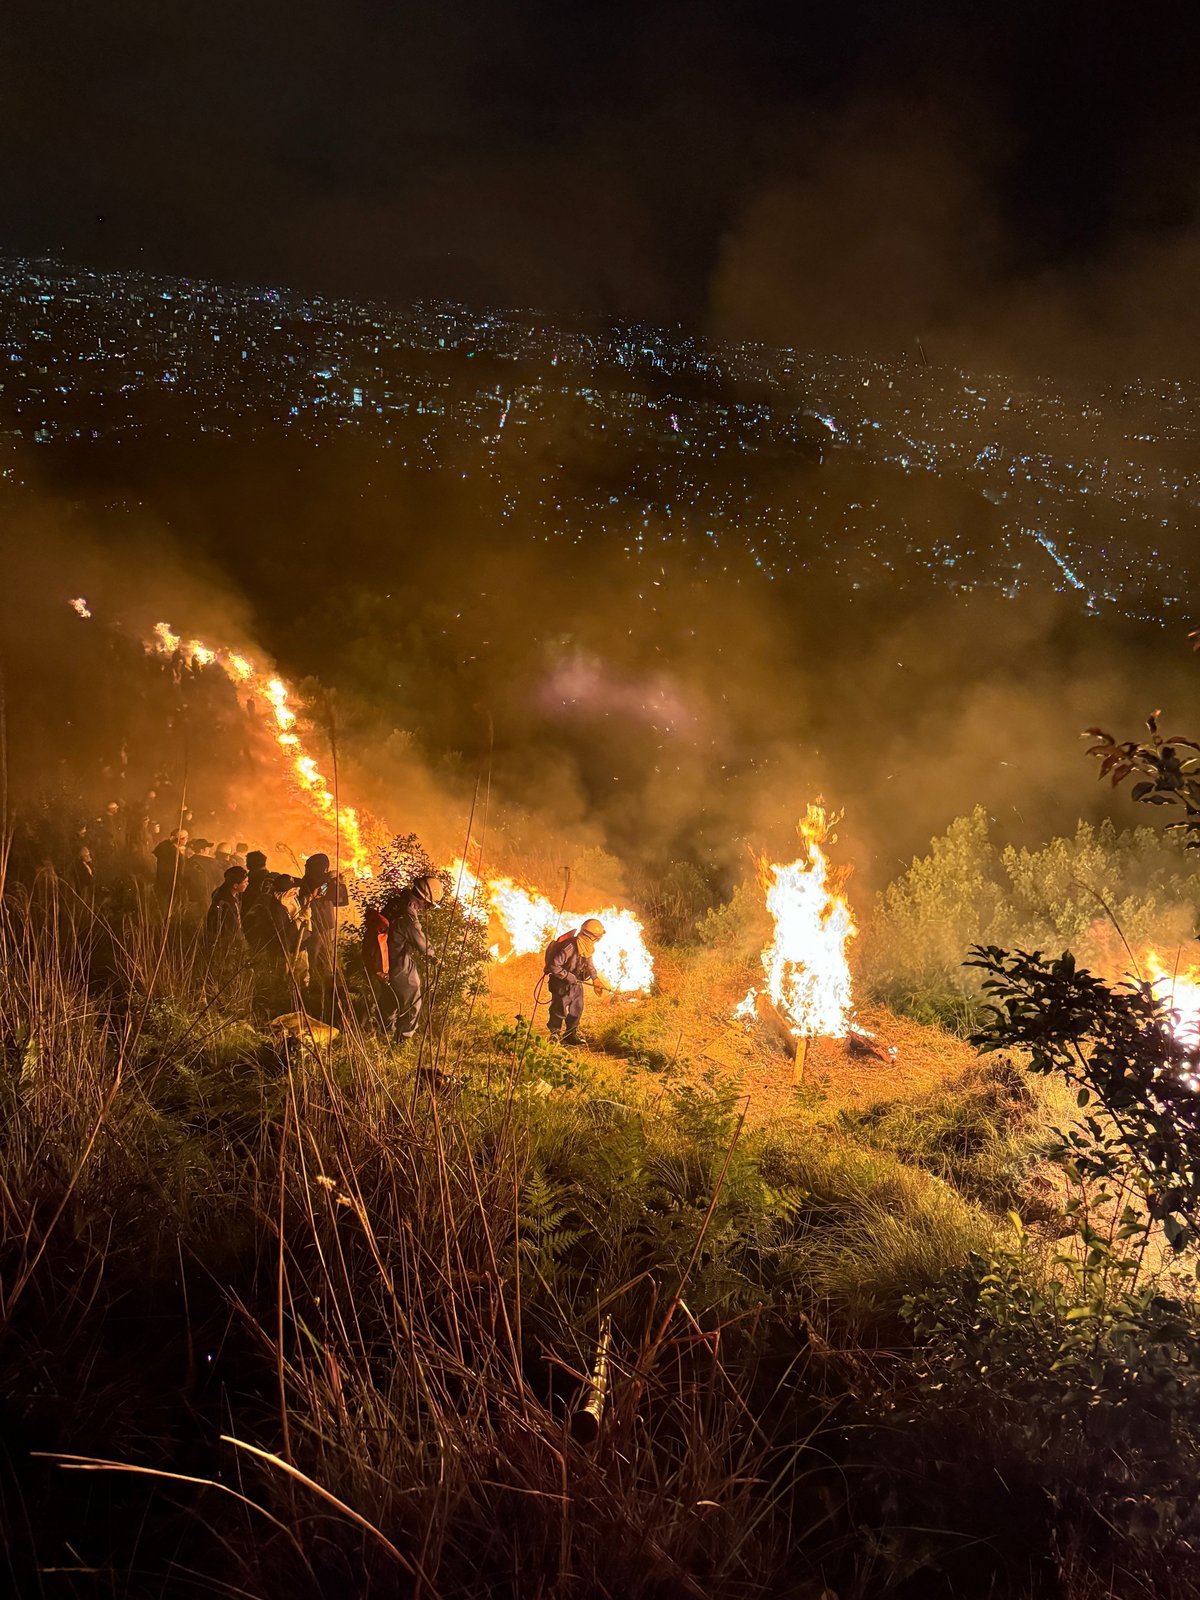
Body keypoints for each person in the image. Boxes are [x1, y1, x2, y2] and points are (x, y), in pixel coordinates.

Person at [370, 875, 443, 1041]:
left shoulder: (396, 902)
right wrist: (433, 957)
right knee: (413, 999)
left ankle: (382, 1034)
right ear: (424, 900)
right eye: (429, 905)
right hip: (398, 963)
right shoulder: (408, 917)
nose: (428, 908)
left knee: (390, 998)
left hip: (382, 961)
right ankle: (402, 1039)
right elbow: (421, 943)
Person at [544, 919, 607, 1047]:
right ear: (590, 936)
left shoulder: (586, 947)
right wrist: (567, 976)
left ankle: (570, 1035)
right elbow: (554, 966)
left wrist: (596, 979)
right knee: (559, 1008)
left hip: (576, 983)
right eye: (597, 937)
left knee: (577, 1008)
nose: (597, 940)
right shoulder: (569, 947)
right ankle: (554, 1034)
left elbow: (589, 965)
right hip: (561, 983)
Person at [297, 851, 350, 998]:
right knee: (315, 959)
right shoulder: (312, 883)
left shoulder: (322, 882)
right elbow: (322, 892)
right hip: (315, 927)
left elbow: (341, 900)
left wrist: (339, 883)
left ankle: (326, 990)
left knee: (325, 960)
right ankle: (315, 990)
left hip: (324, 927)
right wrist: (331, 880)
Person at [244, 873, 303, 989]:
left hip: (288, 949)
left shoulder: (287, 903)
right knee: (281, 979)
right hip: (280, 952)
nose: (295, 893)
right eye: (292, 891)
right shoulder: (277, 909)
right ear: (284, 893)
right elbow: (283, 935)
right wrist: (298, 921)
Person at [205, 865, 248, 959]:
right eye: (245, 882)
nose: (247, 884)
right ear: (235, 885)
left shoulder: (234, 895)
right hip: (226, 946)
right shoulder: (224, 902)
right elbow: (225, 929)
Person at [153, 828, 189, 907]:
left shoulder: (166, 847)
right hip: (171, 883)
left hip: (163, 882)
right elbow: (179, 870)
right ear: (179, 839)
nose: (187, 840)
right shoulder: (173, 852)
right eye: (185, 838)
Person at [242, 850, 271, 915]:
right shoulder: (265, 875)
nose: (246, 864)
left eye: (248, 862)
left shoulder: (255, 877)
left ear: (254, 863)